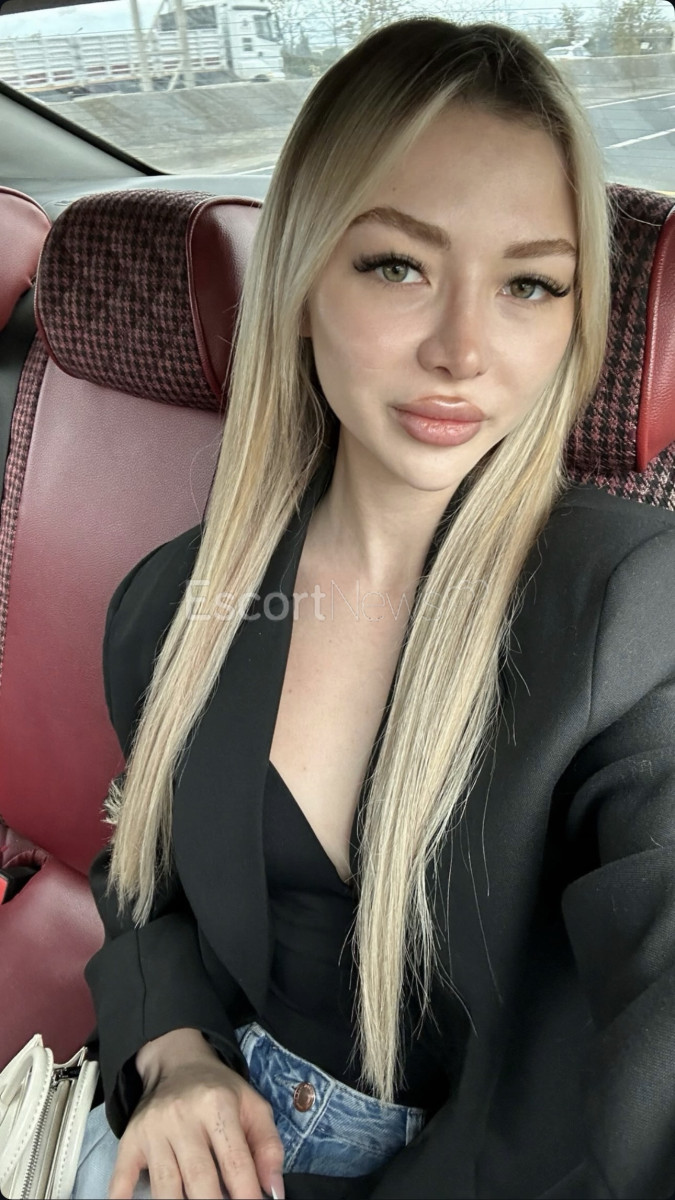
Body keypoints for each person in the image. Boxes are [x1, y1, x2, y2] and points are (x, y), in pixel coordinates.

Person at [71, 17, 675, 1200]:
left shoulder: (632, 607)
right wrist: (175, 1051)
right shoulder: (176, 601)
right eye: (398, 265)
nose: (463, 349)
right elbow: (140, 869)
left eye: (530, 284)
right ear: (302, 282)